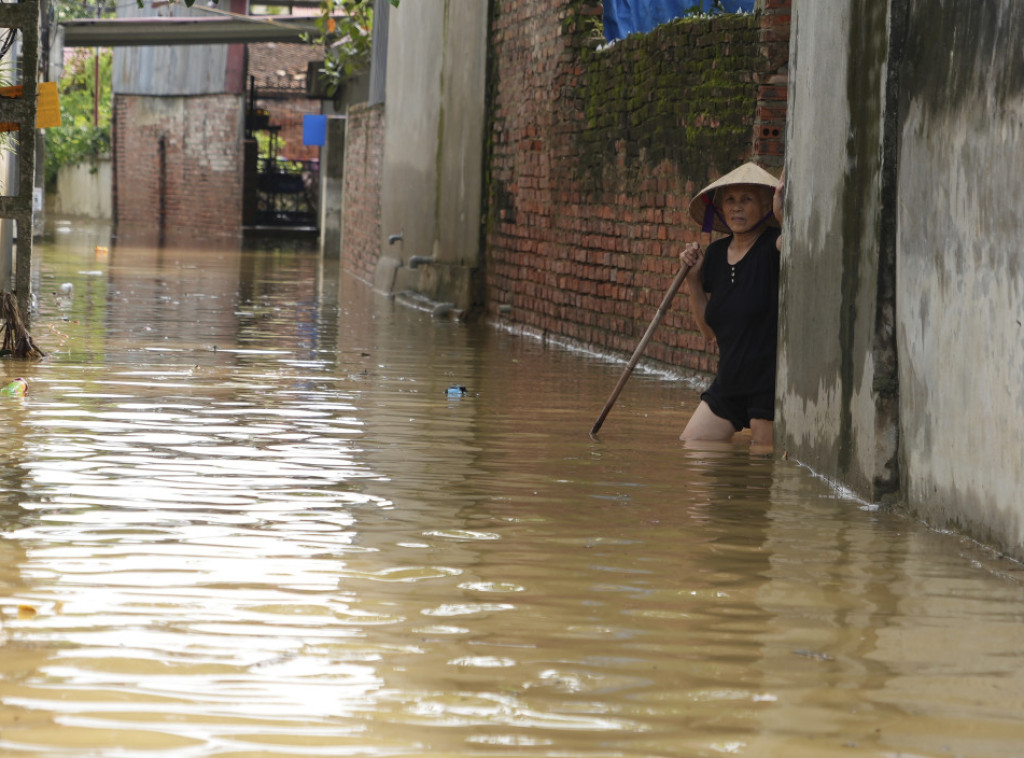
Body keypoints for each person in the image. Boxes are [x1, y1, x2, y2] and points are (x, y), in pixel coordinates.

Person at [678, 162, 784, 448]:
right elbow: (708, 333)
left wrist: (783, 215)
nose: (737, 207)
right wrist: (693, 281)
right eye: (730, 200)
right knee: (692, 447)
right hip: (728, 383)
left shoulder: (774, 246)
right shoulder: (713, 255)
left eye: (746, 199)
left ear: (764, 207)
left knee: (763, 468)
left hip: (767, 385)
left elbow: (799, 243)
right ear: (721, 209)